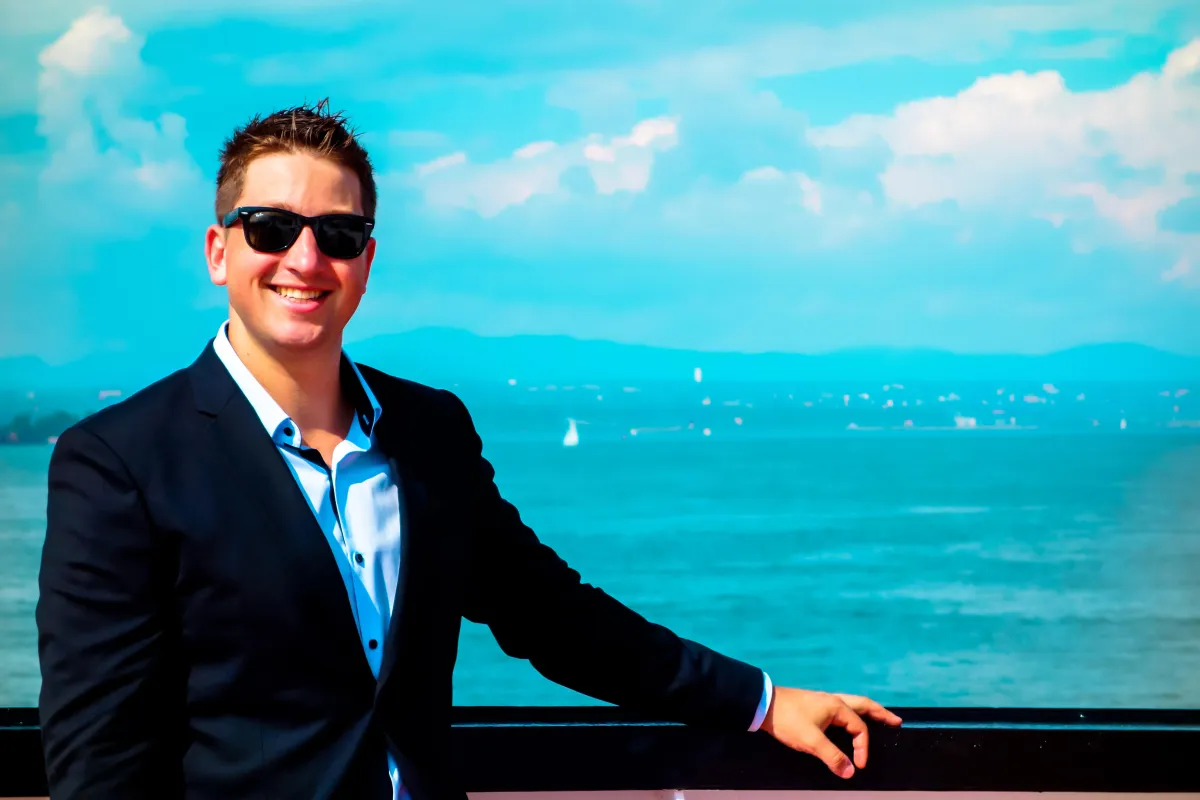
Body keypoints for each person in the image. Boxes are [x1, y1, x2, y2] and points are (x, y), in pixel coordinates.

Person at [36, 101, 901, 800]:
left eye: (337, 234)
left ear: (365, 261)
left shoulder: (429, 434)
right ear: (220, 250)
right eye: (270, 228)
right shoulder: (118, 462)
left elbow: (553, 616)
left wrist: (761, 702)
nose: (305, 257)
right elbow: (100, 755)